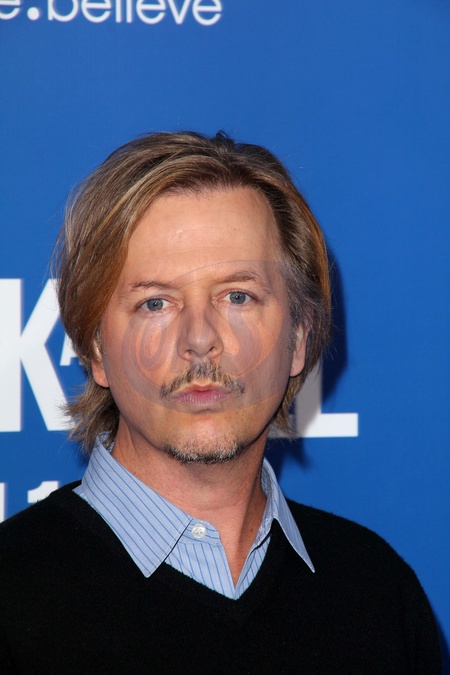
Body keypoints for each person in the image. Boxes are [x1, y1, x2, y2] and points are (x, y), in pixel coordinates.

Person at [0, 131, 441, 673]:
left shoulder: (380, 594)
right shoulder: (10, 600)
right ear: (95, 350)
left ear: (299, 338)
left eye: (237, 296)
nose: (200, 339)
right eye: (155, 302)